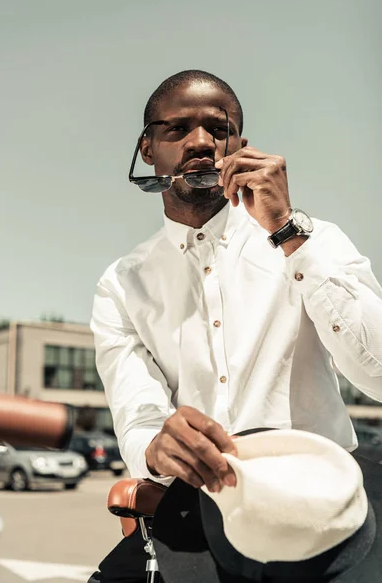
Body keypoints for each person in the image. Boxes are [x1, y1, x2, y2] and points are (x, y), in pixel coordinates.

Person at [88, 70, 382, 583]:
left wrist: (289, 232)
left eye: (217, 129)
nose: (200, 141)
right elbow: (139, 418)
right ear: (148, 148)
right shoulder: (122, 284)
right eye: (177, 129)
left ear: (239, 147)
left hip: (328, 509)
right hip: (207, 512)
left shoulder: (315, 240)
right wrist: (159, 447)